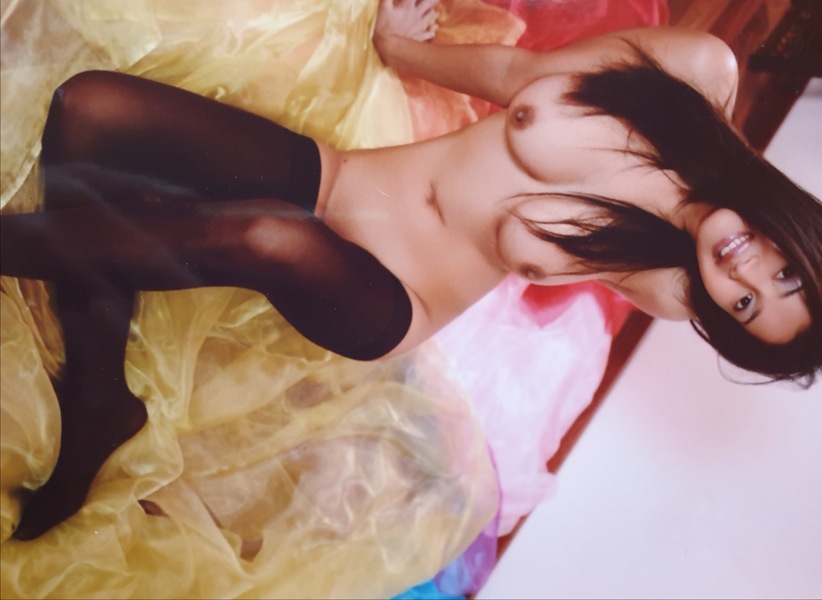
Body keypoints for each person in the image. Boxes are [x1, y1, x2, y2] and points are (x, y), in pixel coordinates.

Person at [1, 0, 820, 541]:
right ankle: (99, 396)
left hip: (390, 294)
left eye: (744, 306)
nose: (743, 273)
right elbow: (516, 78)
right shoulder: (697, 73)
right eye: (787, 274)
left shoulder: (671, 285)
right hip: (338, 180)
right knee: (88, 108)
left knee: (268, 237)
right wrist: (399, 47)